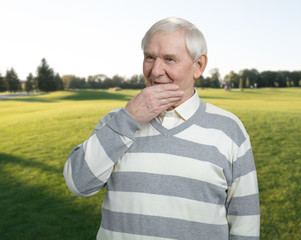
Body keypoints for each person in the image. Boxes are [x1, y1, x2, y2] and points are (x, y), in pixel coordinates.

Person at [64, 17, 260, 240]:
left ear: (198, 66)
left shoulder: (229, 130)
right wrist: (129, 118)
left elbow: (245, 225)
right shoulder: (116, 121)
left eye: (169, 59)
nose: (156, 71)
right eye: (149, 57)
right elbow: (77, 184)